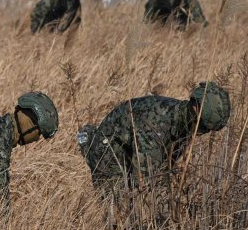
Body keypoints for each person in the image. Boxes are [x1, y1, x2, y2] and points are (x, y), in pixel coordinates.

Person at [77, 82, 230, 194]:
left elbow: (165, 167)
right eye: (202, 126)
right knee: (116, 202)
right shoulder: (156, 124)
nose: (201, 132)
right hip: (110, 150)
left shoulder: (183, 122)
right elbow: (142, 182)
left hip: (132, 146)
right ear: (195, 108)